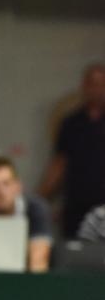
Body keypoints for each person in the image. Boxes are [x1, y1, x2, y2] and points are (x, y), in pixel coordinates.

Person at [38, 63, 105, 238]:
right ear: (84, 86)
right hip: (77, 206)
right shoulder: (71, 123)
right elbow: (59, 164)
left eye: (101, 84)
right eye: (91, 84)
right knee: (75, 255)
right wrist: (39, 200)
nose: (96, 89)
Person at [0, 156, 53, 272]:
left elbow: (39, 261)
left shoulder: (35, 209)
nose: (0, 191)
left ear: (18, 185)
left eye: (6, 183)